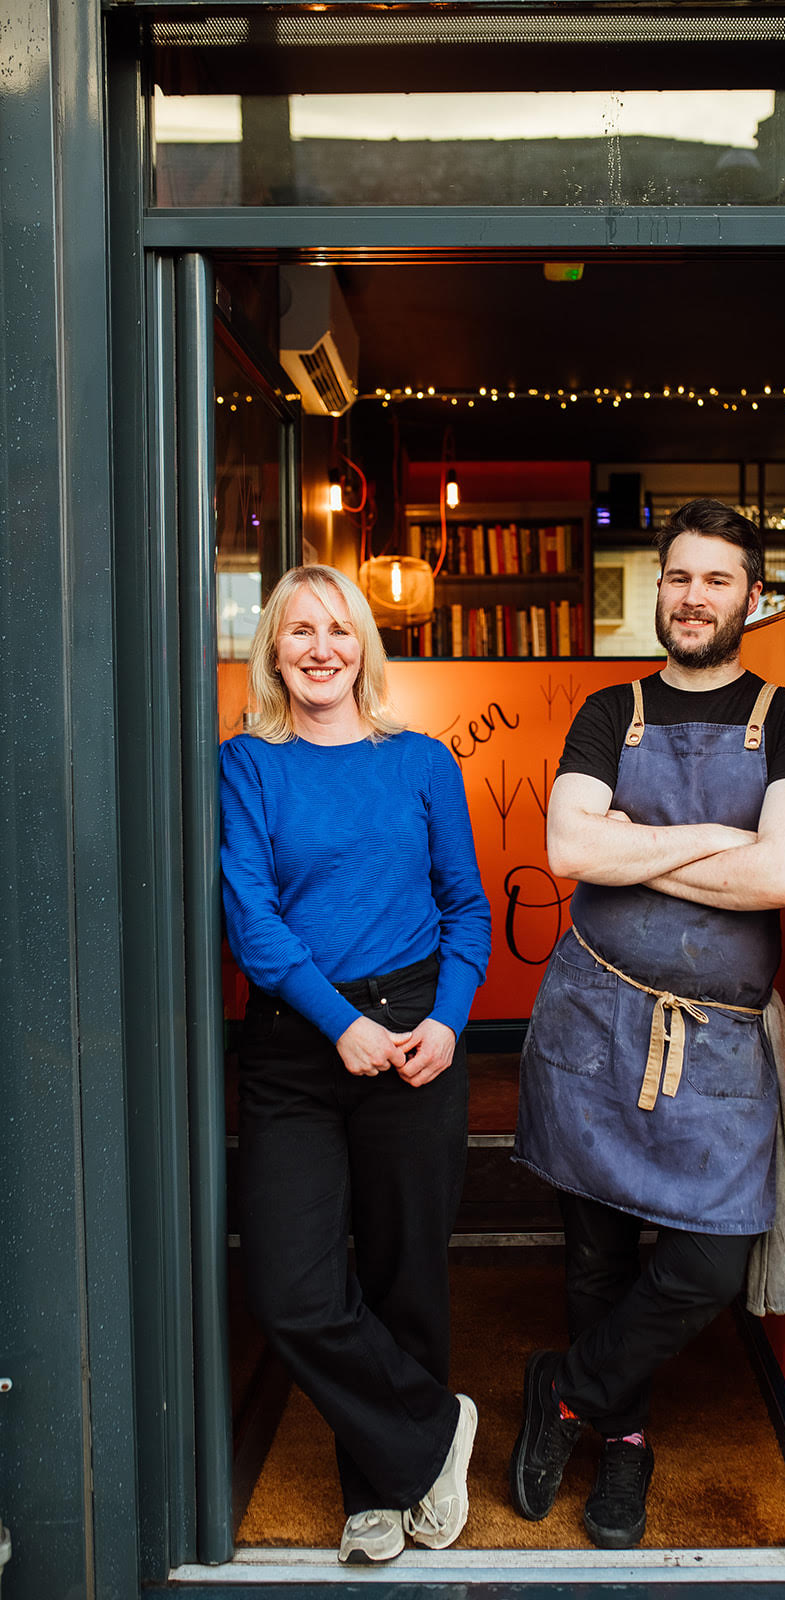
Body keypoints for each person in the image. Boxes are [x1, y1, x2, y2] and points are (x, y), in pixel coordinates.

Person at [509, 500, 785, 1549]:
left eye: (715, 580)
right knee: (593, 1254)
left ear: (751, 596)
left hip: (719, 1045)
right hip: (591, 1020)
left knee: (706, 1265)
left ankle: (568, 1387)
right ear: (660, 588)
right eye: (678, 577)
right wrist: (708, 842)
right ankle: (624, 1439)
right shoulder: (607, 707)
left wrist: (636, 836)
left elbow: (782, 873)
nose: (692, 598)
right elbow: (569, 851)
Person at [219, 564, 491, 1565]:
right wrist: (339, 1023)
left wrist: (451, 1021)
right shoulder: (243, 764)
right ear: (274, 650)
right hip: (299, 1045)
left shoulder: (419, 761)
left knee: (402, 1273)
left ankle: (380, 1490)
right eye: (301, 632)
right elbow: (252, 920)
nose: (322, 648)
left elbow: (466, 907)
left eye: (339, 629)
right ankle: (432, 1434)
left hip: (416, 1032)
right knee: (290, 1287)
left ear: (363, 646)